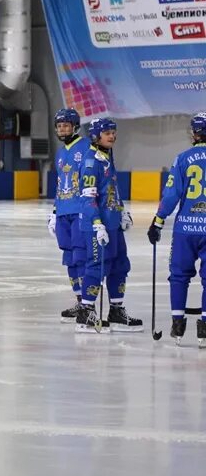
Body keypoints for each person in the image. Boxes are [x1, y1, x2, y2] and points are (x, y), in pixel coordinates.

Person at [75, 118, 142, 333]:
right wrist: (97, 223)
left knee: (120, 264)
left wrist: (122, 212)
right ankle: (86, 312)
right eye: (107, 133)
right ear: (96, 136)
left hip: (113, 223)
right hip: (98, 225)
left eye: (113, 132)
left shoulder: (107, 157)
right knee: (97, 265)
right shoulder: (90, 162)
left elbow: (112, 190)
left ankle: (116, 311)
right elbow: (88, 198)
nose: (112, 136)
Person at [148, 112, 206, 345]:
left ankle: (178, 326)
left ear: (194, 133)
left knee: (179, 277)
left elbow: (171, 195)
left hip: (185, 230)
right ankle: (204, 329)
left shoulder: (182, 158)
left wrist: (158, 221)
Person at [47, 107, 89, 322]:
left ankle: (87, 305)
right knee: (70, 259)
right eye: (59, 126)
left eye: (66, 125)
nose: (62, 129)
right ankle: (79, 299)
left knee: (81, 257)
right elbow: (59, 184)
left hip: (80, 211)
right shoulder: (61, 152)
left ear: (75, 126)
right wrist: (55, 212)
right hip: (64, 211)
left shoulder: (87, 147)